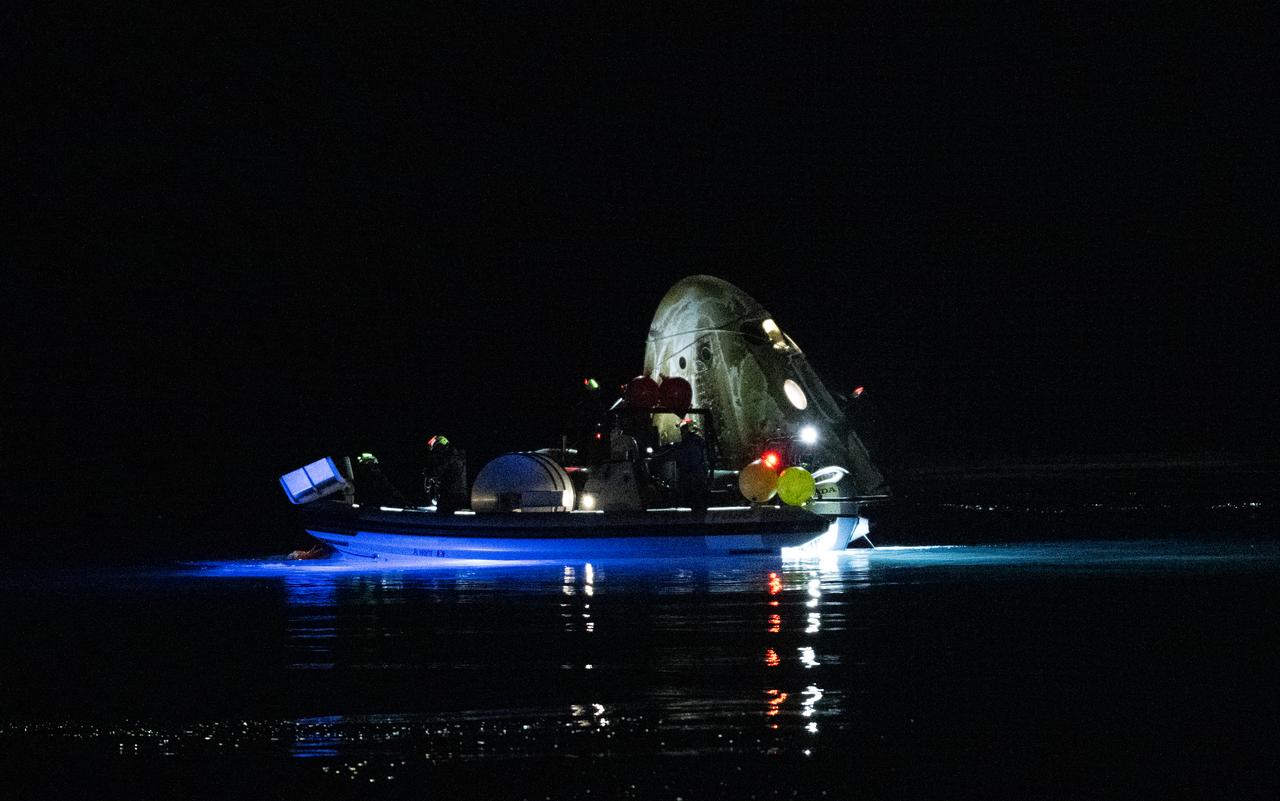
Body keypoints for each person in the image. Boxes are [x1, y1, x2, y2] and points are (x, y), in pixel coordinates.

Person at [670, 418, 710, 512]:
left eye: (682, 429)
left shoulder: (692, 441)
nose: (681, 431)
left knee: (695, 496)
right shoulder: (694, 441)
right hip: (693, 472)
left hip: (693, 472)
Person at [421, 435, 468, 513]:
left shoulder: (450, 456)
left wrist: (428, 472)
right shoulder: (456, 455)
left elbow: (437, 471)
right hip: (457, 494)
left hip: (451, 495)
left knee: (442, 517)